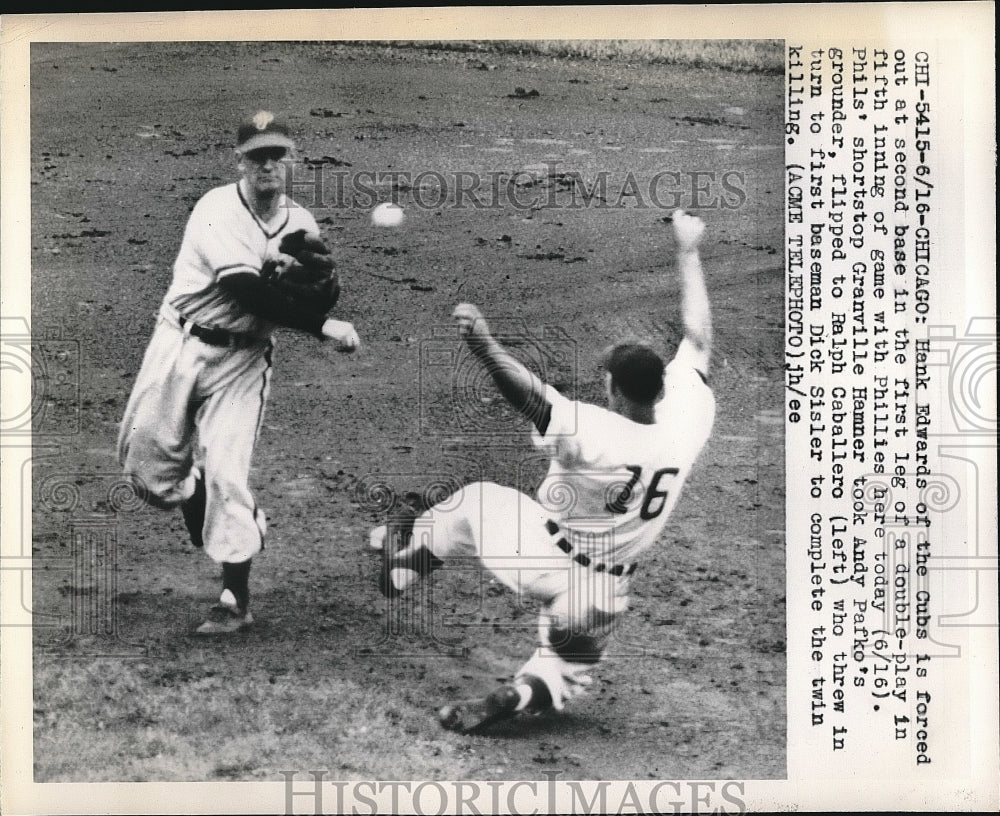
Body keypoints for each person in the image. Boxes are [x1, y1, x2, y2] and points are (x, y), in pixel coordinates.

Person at [372, 210, 715, 732]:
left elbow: (527, 395)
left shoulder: (592, 430)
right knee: (566, 671)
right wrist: (689, 252)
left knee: (474, 502)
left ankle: (409, 563)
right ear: (660, 389)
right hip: (602, 593)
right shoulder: (685, 424)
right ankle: (516, 695)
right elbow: (698, 340)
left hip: (539, 555)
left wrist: (484, 346)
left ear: (616, 391)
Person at [118, 111, 360, 635]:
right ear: (240, 162)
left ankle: (234, 597)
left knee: (231, 476)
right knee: (147, 475)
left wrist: (326, 282)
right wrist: (323, 324)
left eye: (277, 156)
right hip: (179, 343)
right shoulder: (216, 210)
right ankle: (195, 487)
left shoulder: (300, 223)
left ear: (290, 160)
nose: (268, 166)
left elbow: (312, 292)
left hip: (244, 360)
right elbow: (245, 291)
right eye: (257, 157)